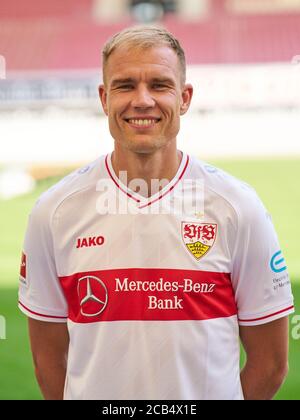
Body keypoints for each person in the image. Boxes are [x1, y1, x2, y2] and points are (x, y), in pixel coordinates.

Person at [18, 25, 294, 400]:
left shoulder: (238, 208)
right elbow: (48, 361)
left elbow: (271, 363)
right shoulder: (54, 212)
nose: (142, 100)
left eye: (160, 85)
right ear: (104, 97)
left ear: (185, 98)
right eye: (125, 85)